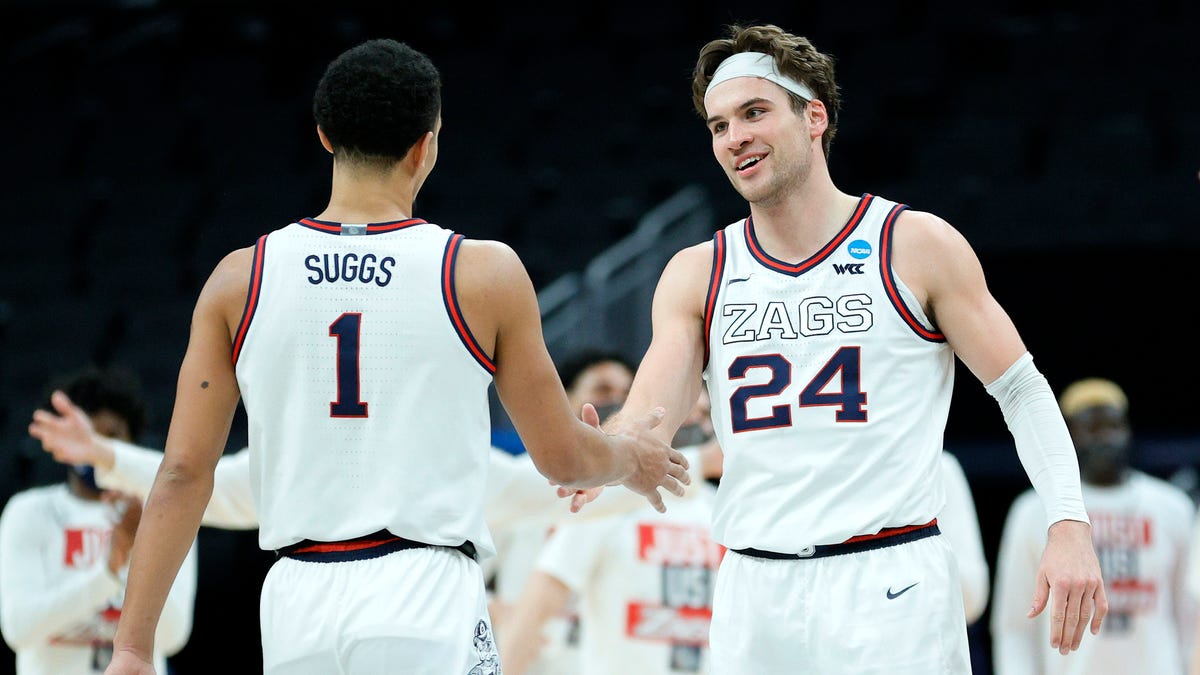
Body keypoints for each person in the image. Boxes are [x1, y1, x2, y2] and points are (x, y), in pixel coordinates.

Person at [100, 38, 688, 675]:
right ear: (426, 146)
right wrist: (632, 457)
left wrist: (132, 649)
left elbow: (184, 475)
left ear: (324, 136)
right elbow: (562, 458)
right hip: (425, 592)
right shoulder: (479, 272)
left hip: (298, 599)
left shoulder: (239, 280)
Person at [592, 23, 1105, 673]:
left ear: (814, 116)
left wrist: (1068, 521)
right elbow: (648, 422)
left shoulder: (913, 243)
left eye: (754, 113)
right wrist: (599, 455)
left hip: (888, 580)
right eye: (719, 125)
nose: (735, 137)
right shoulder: (699, 271)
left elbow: (1021, 388)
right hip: (754, 585)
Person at [497, 393, 724, 675]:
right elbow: (541, 601)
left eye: (705, 416)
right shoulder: (609, 504)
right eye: (688, 411)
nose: (697, 425)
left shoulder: (722, 511)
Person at [992, 377, 1196, 675]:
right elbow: (1015, 625)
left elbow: (1190, 614)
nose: (1105, 438)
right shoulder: (1033, 510)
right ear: (1068, 436)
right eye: (1091, 429)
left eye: (1113, 426)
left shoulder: (1173, 507)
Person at [0, 366, 197, 675]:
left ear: (132, 442)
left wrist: (137, 549)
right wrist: (108, 572)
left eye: (112, 435)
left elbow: (173, 635)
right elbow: (19, 628)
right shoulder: (28, 511)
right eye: (88, 434)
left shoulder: (163, 513)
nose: (96, 446)